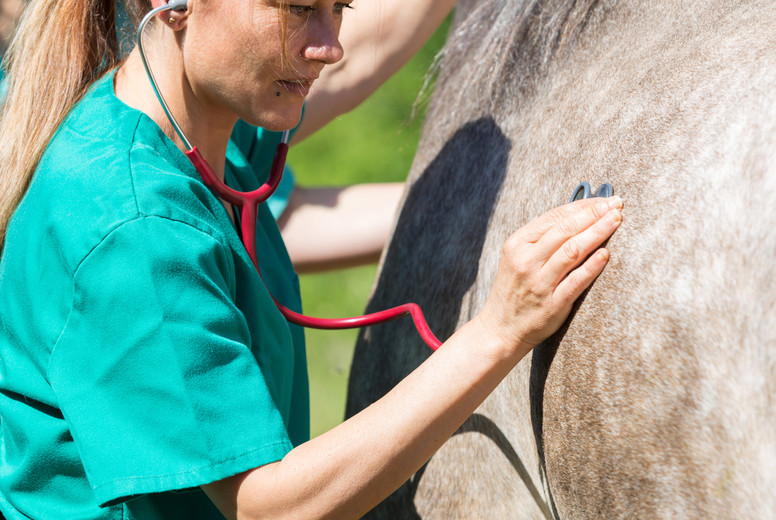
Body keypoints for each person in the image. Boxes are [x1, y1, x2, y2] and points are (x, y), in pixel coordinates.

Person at [0, 1, 623, 519]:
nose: (330, 47)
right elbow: (269, 508)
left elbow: (372, 52)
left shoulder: (195, 123)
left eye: (338, 7)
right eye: (298, 8)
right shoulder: (132, 228)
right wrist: (500, 332)